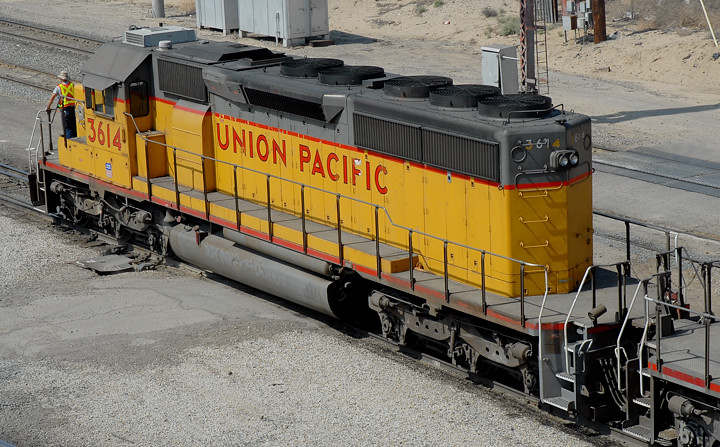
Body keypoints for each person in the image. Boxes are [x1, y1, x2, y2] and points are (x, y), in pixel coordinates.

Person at [46, 70, 77, 139]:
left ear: (61, 79)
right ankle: (75, 138)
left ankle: (69, 141)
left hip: (65, 109)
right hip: (73, 108)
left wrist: (48, 107)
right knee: (73, 126)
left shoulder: (59, 87)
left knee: (67, 127)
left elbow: (52, 98)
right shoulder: (72, 85)